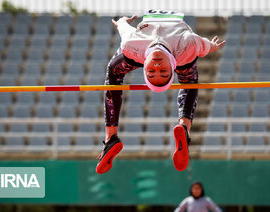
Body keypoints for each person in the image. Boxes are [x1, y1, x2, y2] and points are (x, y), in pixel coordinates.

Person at [96, 10, 226, 174]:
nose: (157, 68)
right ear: (171, 67)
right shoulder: (188, 44)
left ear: (144, 67)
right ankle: (184, 128)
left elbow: (123, 27)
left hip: (145, 48)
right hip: (178, 51)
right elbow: (204, 45)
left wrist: (122, 21)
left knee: (113, 70)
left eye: (151, 72)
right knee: (189, 78)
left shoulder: (132, 44)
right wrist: (211, 46)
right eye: (164, 72)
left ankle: (110, 138)